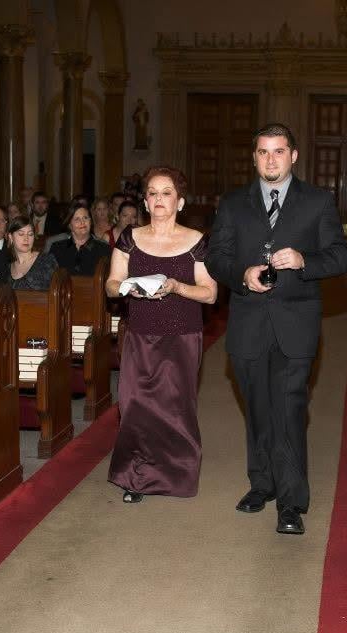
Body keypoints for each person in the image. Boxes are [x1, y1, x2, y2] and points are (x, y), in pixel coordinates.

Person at [205, 123, 347, 535]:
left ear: (294, 155)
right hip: (248, 322)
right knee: (257, 411)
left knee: (288, 411)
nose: (272, 159)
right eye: (264, 152)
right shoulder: (233, 204)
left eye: (279, 151)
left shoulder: (317, 202)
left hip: (296, 323)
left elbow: (340, 257)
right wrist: (242, 274)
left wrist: (305, 261)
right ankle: (262, 485)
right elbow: (217, 257)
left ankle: (291, 503)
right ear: (254, 157)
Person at [105, 166, 218, 503]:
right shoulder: (130, 237)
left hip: (182, 335)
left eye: (166, 192)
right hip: (140, 334)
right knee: (135, 404)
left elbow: (210, 293)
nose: (158, 198)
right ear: (145, 200)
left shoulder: (197, 241)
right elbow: (111, 286)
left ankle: (176, 473)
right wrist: (128, 288)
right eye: (152, 192)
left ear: (179, 202)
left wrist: (175, 287)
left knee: (174, 407)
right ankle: (136, 477)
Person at [47, 206, 111, 276]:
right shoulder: (57, 248)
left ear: (90, 222)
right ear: (69, 225)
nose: (82, 222)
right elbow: (48, 277)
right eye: (77, 219)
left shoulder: (104, 249)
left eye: (85, 218)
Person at [7, 216, 59, 291]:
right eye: (21, 234)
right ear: (11, 237)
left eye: (30, 234)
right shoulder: (7, 268)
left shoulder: (46, 261)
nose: (26, 238)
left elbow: (58, 292)